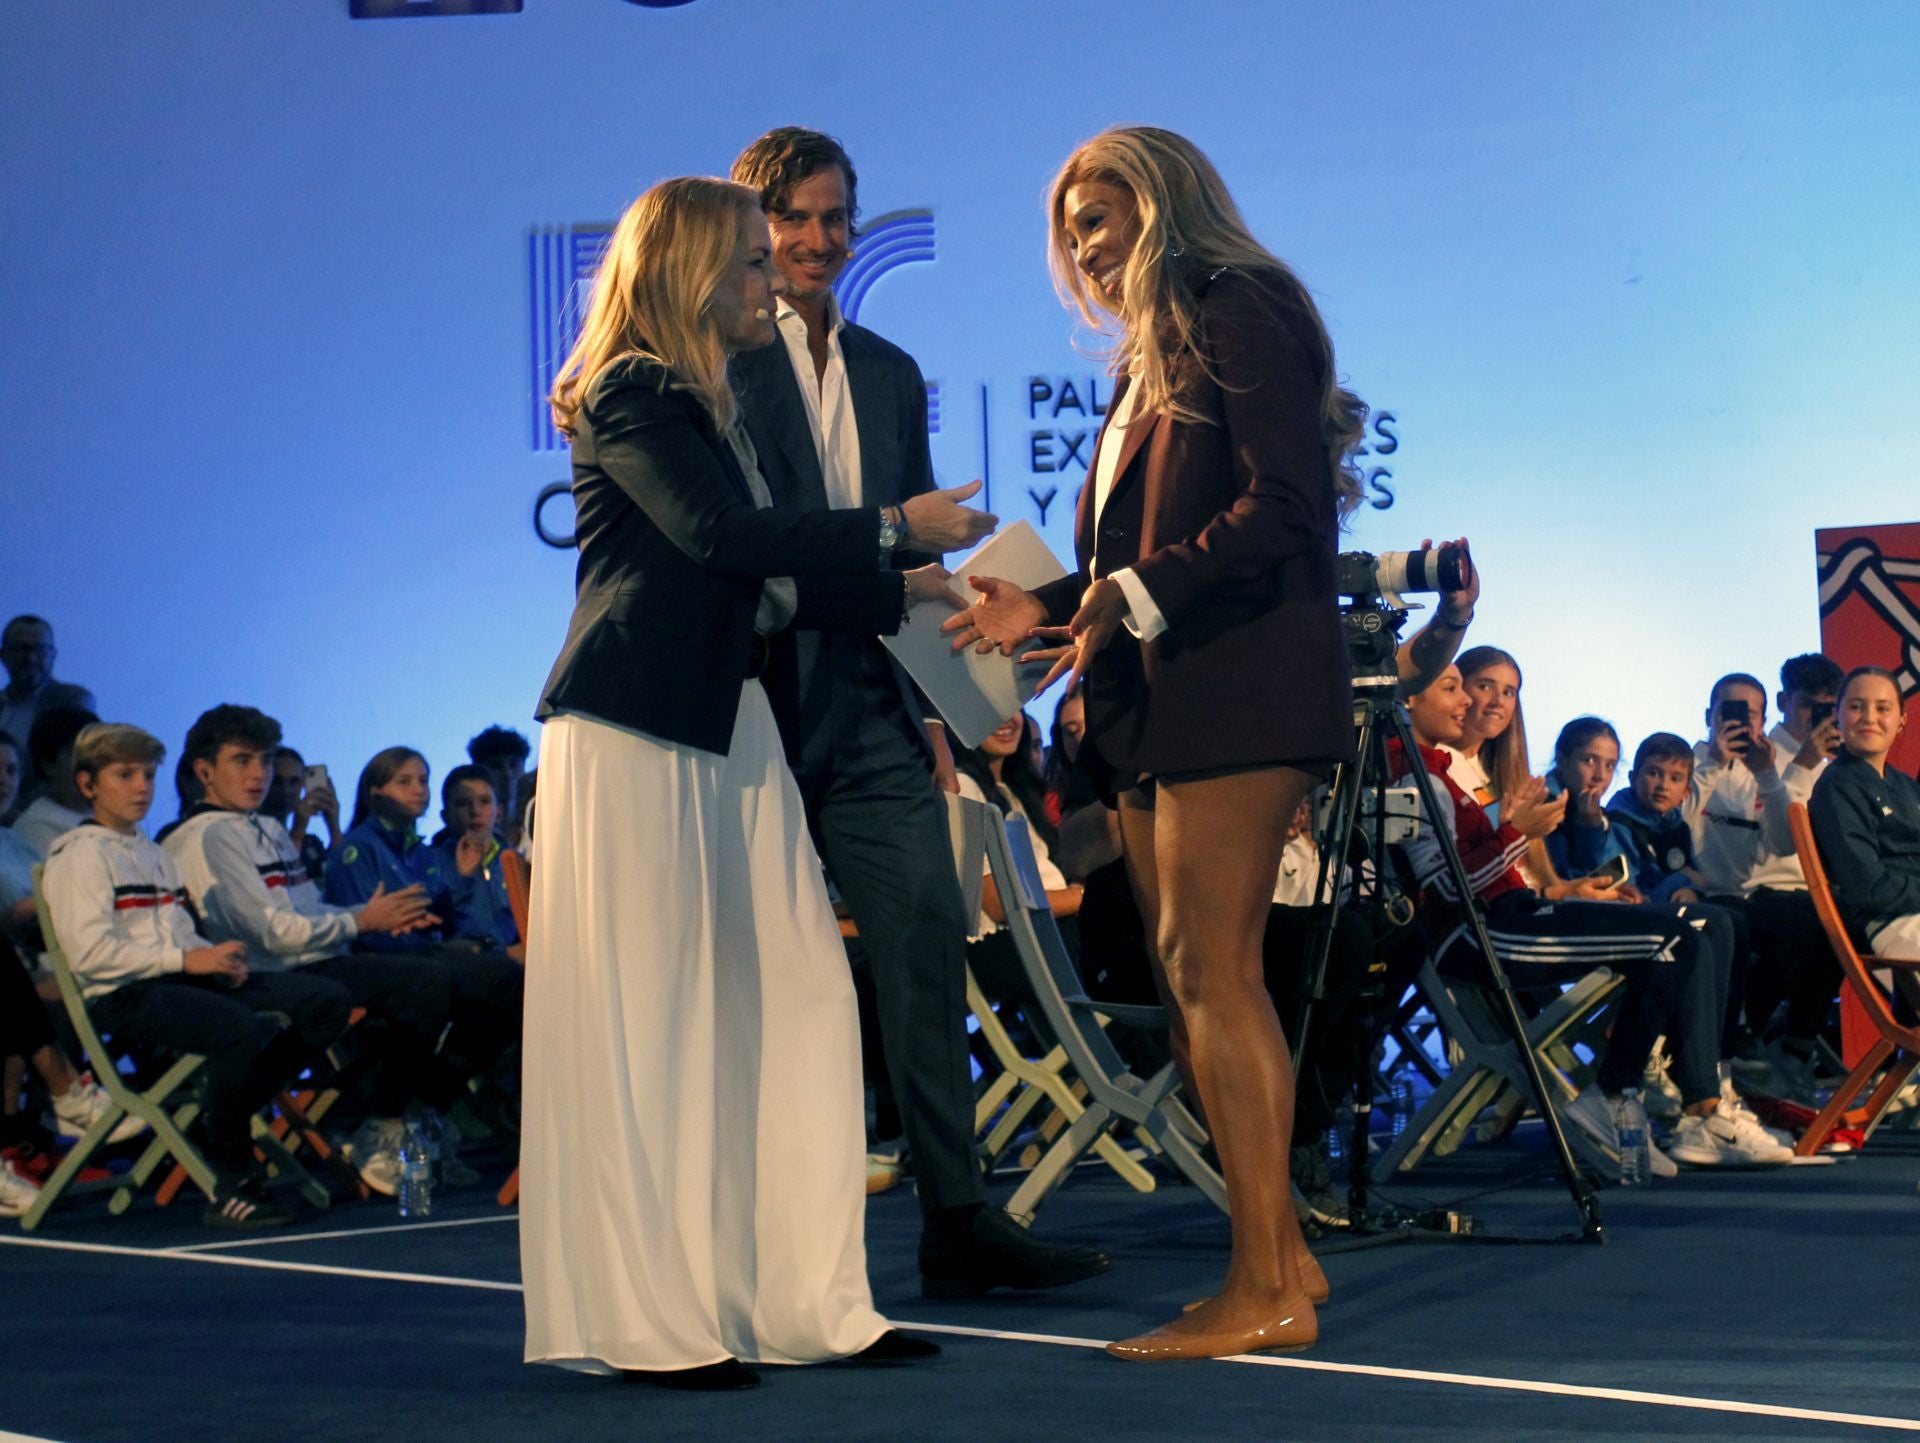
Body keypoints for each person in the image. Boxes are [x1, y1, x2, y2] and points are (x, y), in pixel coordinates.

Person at [522, 174, 995, 1388]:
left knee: (795, 997)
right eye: (749, 260)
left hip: (728, 725)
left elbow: (760, 577)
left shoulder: (705, 401)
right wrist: (892, 527)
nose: (771, 277)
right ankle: (647, 1321)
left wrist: (907, 587)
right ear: (690, 272)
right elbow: (722, 543)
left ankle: (800, 1301)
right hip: (637, 732)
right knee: (655, 1022)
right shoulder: (629, 390)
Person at [946, 126, 1364, 1360]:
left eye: (1103, 213)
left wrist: (1127, 593)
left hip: (1238, 689)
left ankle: (1265, 1287)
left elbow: (1286, 506)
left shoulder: (1240, 305)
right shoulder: (1152, 351)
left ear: (1168, 201)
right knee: (1190, 983)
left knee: (1213, 973)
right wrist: (1047, 598)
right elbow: (1135, 552)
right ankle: (1281, 1258)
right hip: (1161, 701)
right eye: (1071, 227)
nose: (1085, 243)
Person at [725, 127, 1111, 1298]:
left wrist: (957, 654)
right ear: (752, 228)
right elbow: (748, 537)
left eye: (835, 217)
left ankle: (957, 1219)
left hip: (874, 701)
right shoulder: (715, 353)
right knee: (753, 974)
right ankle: (754, 1236)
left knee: (927, 943)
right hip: (752, 698)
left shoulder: (890, 371)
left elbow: (911, 558)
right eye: (794, 218)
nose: (818, 240)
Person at [1393, 669, 1787, 1171]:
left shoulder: (1446, 773)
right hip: (1481, 935)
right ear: (1409, 700)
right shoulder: (1416, 777)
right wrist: (1519, 833)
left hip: (1512, 913)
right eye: (1455, 688)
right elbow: (1449, 888)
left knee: (1708, 924)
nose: (1470, 701)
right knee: (1676, 938)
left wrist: (1557, 877)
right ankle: (1645, 1098)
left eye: (1508, 691)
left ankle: (1697, 1099)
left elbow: (1498, 873)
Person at [42, 723, 353, 1228]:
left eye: (148, 775)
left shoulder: (151, 852)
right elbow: (91, 955)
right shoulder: (80, 854)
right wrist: (186, 962)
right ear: (88, 784)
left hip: (175, 979)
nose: (141, 787)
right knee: (236, 1027)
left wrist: (213, 957)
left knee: (325, 1000)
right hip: (123, 994)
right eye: (125, 775)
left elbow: (177, 932)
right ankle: (232, 1182)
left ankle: (227, 1105)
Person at [163, 705, 453, 1195]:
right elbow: (269, 936)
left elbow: (310, 909)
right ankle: (365, 1117)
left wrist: (379, 915)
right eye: (242, 761)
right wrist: (361, 921)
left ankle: (376, 1114)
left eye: (265, 760)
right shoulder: (209, 836)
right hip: (259, 973)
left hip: (309, 961)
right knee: (416, 985)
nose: (258, 774)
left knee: (436, 979)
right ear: (204, 771)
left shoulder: (266, 828)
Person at [1808, 667, 1920, 960]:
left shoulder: (1906, 785)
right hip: (1890, 922)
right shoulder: (1837, 787)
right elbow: (1868, 886)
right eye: (1856, 707)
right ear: (1838, 715)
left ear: (1901, 721)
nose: (1869, 718)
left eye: (1883, 708)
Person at [0, 616, 96, 796]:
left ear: (53, 655)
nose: (31, 658)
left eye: (40, 649)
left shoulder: (72, 701)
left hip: (44, 809)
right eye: (22, 648)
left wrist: (18, 809)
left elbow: (69, 769)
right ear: (3, 655)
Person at [428, 765, 518, 954]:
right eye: (462, 803)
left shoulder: (515, 862)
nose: (475, 811)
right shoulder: (430, 863)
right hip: (459, 962)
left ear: (499, 812)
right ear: (445, 816)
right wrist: (461, 879)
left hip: (515, 961)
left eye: (484, 801)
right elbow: (434, 926)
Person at [11, 706, 98, 855]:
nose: (93, 763)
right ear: (48, 765)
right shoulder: (35, 828)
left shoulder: (114, 813)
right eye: (81, 754)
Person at [263, 746, 341, 888]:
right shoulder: (251, 835)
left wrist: (333, 825)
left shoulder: (310, 844)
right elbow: (282, 884)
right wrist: (298, 830)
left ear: (303, 785)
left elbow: (344, 877)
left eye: (294, 782)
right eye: (277, 781)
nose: (286, 790)